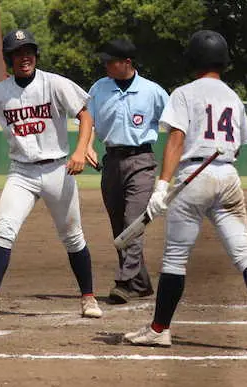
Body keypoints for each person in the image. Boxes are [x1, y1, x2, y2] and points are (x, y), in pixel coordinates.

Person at [123, 30, 247, 353]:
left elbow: (177, 140)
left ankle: (159, 329)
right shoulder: (233, 97)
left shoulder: (184, 93)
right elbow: (237, 147)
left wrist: (162, 185)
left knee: (175, 258)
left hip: (193, 176)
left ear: (193, 59)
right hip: (227, 175)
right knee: (244, 253)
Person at [0, 29, 103, 320]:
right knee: (4, 229)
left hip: (57, 169)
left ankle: (88, 298)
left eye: (28, 51)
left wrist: (80, 151)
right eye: (17, 52)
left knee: (72, 237)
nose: (24, 56)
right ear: (9, 59)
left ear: (36, 55)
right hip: (21, 173)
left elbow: (85, 115)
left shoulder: (55, 83)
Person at [87, 38, 169, 304]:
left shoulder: (152, 91)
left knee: (133, 222)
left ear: (127, 63)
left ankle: (124, 282)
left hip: (141, 161)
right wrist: (86, 145)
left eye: (111, 61)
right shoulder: (99, 89)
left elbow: (175, 123)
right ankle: (141, 282)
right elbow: (88, 120)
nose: (106, 65)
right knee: (118, 226)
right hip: (110, 162)